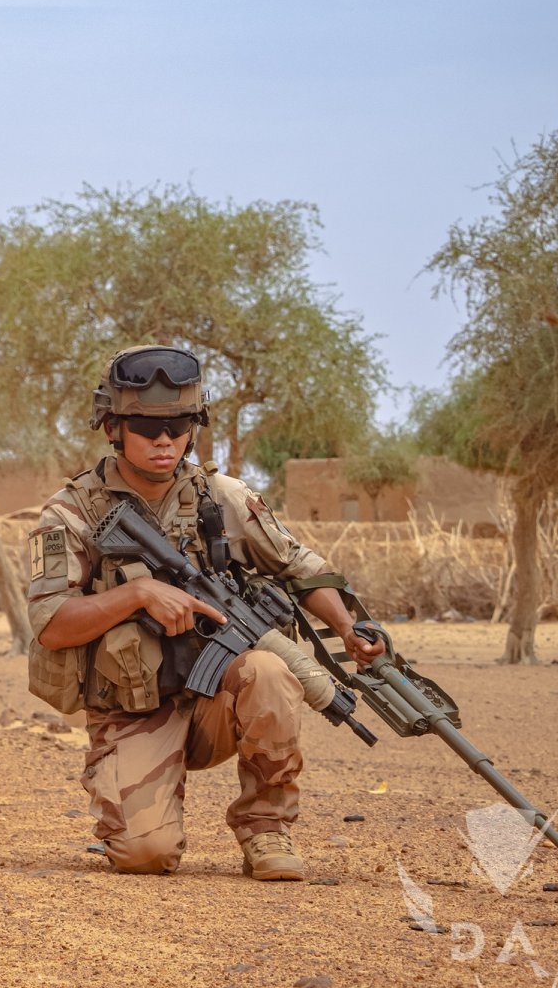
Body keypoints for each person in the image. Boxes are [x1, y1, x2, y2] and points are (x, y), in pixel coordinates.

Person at [24, 346, 385, 882]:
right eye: (147, 427)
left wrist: (347, 628)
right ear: (113, 427)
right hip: (134, 708)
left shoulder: (223, 497)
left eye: (179, 425)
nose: (164, 440)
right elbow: (51, 625)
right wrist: (138, 594)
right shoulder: (72, 511)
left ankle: (265, 826)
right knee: (146, 856)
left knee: (270, 669)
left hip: (217, 702)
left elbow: (301, 567)